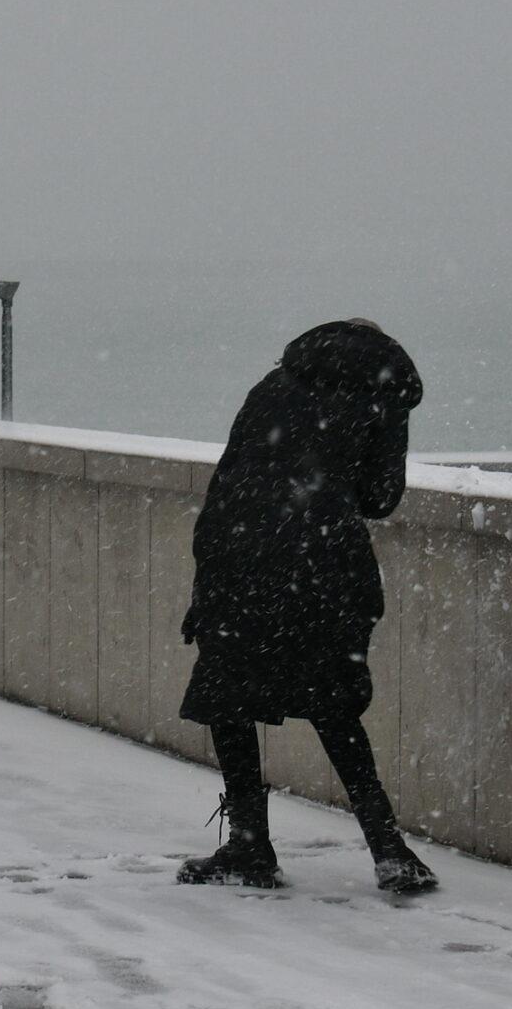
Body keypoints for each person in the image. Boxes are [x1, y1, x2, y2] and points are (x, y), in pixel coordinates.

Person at [175, 319, 439, 896]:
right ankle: (388, 849)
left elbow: (231, 479)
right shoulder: (384, 391)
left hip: (237, 549)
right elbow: (381, 497)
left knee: (231, 698)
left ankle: (249, 844)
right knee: (333, 704)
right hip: (321, 560)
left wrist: (209, 580)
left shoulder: (273, 385)